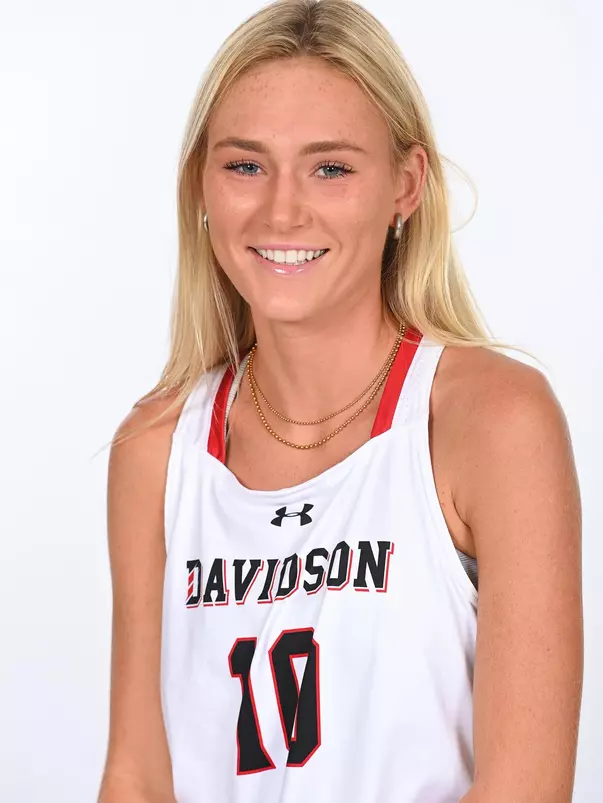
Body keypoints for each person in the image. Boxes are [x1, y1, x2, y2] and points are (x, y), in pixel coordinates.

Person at [97, 1, 583, 801]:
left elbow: (523, 788)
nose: (282, 209)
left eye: (330, 167)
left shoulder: (491, 420)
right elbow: (137, 775)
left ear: (405, 184)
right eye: (246, 165)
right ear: (202, 186)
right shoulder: (155, 447)